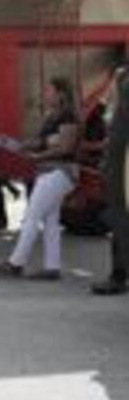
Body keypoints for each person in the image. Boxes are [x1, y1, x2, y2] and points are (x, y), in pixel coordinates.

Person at [0, 77, 79, 281]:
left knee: (32, 217)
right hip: (55, 173)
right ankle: (52, 267)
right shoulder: (54, 116)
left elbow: (66, 147)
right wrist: (17, 145)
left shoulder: (67, 116)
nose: (46, 94)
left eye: (49, 91)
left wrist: (38, 156)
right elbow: (42, 142)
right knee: (50, 221)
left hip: (59, 172)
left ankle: (16, 263)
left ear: (61, 94)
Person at [93, 66, 129, 295]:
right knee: (119, 222)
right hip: (119, 166)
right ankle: (118, 274)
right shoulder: (122, 76)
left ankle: (119, 275)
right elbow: (106, 111)